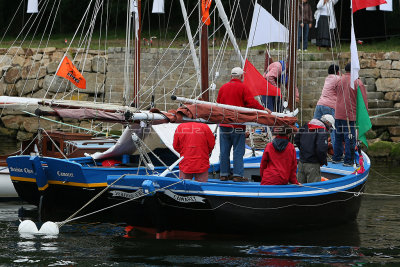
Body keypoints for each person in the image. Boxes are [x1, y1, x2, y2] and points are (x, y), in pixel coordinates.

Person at [217, 67, 266, 182]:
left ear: (231, 76)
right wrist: (263, 109)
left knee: (224, 151)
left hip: (224, 125)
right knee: (238, 151)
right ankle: (237, 175)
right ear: (241, 77)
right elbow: (251, 103)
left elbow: (218, 104)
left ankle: (224, 174)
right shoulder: (243, 88)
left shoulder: (223, 88)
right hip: (238, 125)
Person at [332, 63, 368, 167]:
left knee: (338, 136)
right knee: (350, 138)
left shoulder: (339, 80)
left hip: (338, 113)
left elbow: (335, 91)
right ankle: (348, 160)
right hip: (349, 115)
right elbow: (363, 101)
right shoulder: (357, 82)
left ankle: (336, 158)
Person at [295, 114, 335, 183]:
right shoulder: (322, 131)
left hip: (301, 162)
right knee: (313, 187)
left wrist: (304, 151)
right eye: (330, 126)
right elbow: (321, 149)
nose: (330, 128)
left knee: (300, 186)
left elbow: (297, 139)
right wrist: (323, 161)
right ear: (327, 123)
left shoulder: (306, 125)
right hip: (313, 164)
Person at [314, 64, 340, 146]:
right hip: (330, 106)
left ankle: (311, 148)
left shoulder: (327, 78)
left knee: (314, 127)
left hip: (319, 104)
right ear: (338, 72)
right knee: (333, 130)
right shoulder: (338, 78)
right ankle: (336, 154)